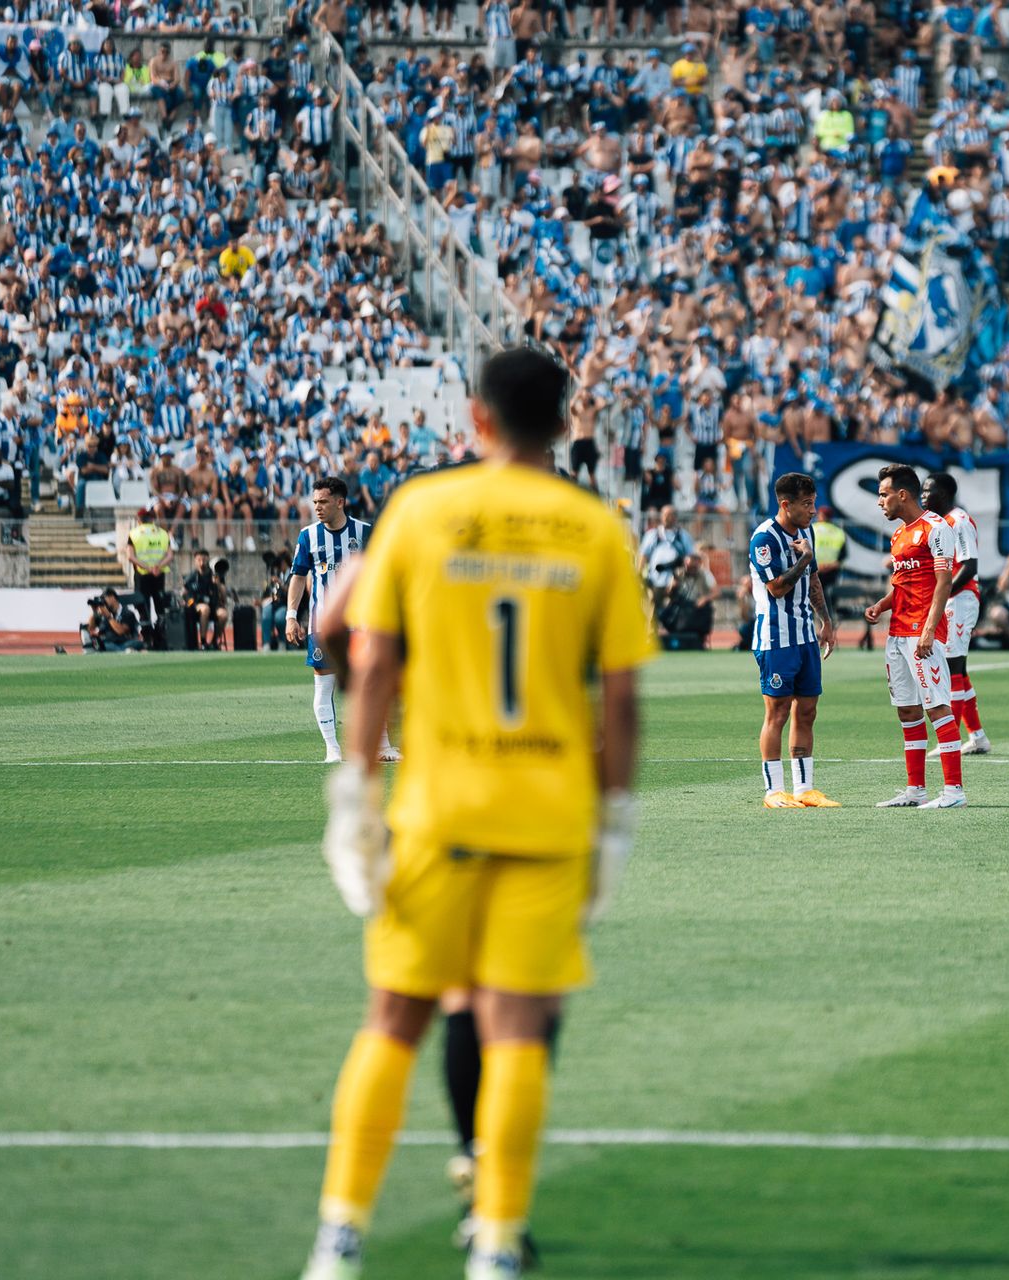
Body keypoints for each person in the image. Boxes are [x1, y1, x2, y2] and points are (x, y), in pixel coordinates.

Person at [301, 346, 656, 1280]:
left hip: (438, 809)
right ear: (567, 423)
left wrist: (353, 798)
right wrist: (613, 825)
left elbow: (368, 660)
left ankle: (340, 1238)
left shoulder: (422, 510)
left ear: (479, 420)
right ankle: (496, 1243)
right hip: (546, 819)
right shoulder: (593, 528)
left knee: (393, 1020)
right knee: (514, 1032)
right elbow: (621, 700)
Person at [863, 464, 967, 809]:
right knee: (907, 711)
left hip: (923, 634)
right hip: (897, 633)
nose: (880, 502)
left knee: (937, 707)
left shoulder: (937, 528)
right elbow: (902, 584)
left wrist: (928, 629)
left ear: (901, 494)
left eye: (883, 494)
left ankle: (953, 791)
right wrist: (882, 604)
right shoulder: (898, 536)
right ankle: (915, 790)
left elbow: (943, 583)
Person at [287, 476, 398, 764]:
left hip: (364, 623)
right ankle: (333, 750)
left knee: (373, 681)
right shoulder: (307, 536)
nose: (317, 507)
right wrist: (291, 615)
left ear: (340, 501)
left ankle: (383, 746)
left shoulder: (364, 533)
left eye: (323, 501)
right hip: (322, 624)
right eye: (314, 502)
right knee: (324, 685)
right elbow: (298, 578)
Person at [749, 471, 838, 809]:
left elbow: (813, 580)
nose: (812, 510)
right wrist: (805, 557)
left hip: (804, 635)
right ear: (785, 505)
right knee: (778, 712)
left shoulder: (806, 531)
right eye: (806, 504)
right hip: (775, 638)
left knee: (808, 710)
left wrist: (826, 620)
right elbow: (777, 587)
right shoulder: (764, 539)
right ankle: (774, 790)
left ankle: (804, 789)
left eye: (813, 503)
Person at [922, 473, 992, 755]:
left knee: (953, 669)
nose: (924, 495)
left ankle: (948, 740)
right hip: (951, 600)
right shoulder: (940, 523)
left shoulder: (959, 521)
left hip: (960, 600)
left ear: (946, 493)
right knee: (959, 670)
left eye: (929, 490)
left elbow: (970, 566)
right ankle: (977, 736)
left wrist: (945, 594)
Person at [123, 509, 174, 635]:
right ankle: (161, 636)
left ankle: (147, 637)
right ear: (152, 519)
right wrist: (157, 567)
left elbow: (130, 556)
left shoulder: (134, 533)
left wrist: (147, 567)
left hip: (142, 575)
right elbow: (170, 555)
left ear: (139, 520)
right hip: (159, 574)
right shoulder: (163, 533)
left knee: (143, 606)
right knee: (160, 605)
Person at [636, 504, 692, 602]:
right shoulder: (652, 534)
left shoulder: (683, 536)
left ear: (675, 517)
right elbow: (643, 556)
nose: (667, 517)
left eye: (670, 515)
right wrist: (639, 576)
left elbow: (690, 557)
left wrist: (681, 575)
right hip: (655, 580)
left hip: (676, 581)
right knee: (654, 611)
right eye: (665, 514)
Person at [183, 549, 225, 651]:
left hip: (214, 606)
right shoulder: (190, 577)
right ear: (195, 561)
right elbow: (185, 595)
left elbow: (223, 597)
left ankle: (215, 641)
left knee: (223, 614)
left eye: (204, 560)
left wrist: (218, 584)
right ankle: (203, 642)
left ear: (208, 560)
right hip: (197, 607)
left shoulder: (215, 575)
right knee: (205, 609)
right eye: (199, 560)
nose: (202, 563)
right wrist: (192, 604)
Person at [83, 587, 145, 652]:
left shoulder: (127, 613)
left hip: (126, 642)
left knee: (134, 644)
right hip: (108, 643)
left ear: (112, 597)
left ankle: (122, 651)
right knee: (96, 645)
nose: (104, 602)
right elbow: (90, 628)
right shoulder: (104, 614)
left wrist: (109, 617)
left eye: (104, 599)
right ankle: (125, 651)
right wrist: (94, 613)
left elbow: (120, 631)